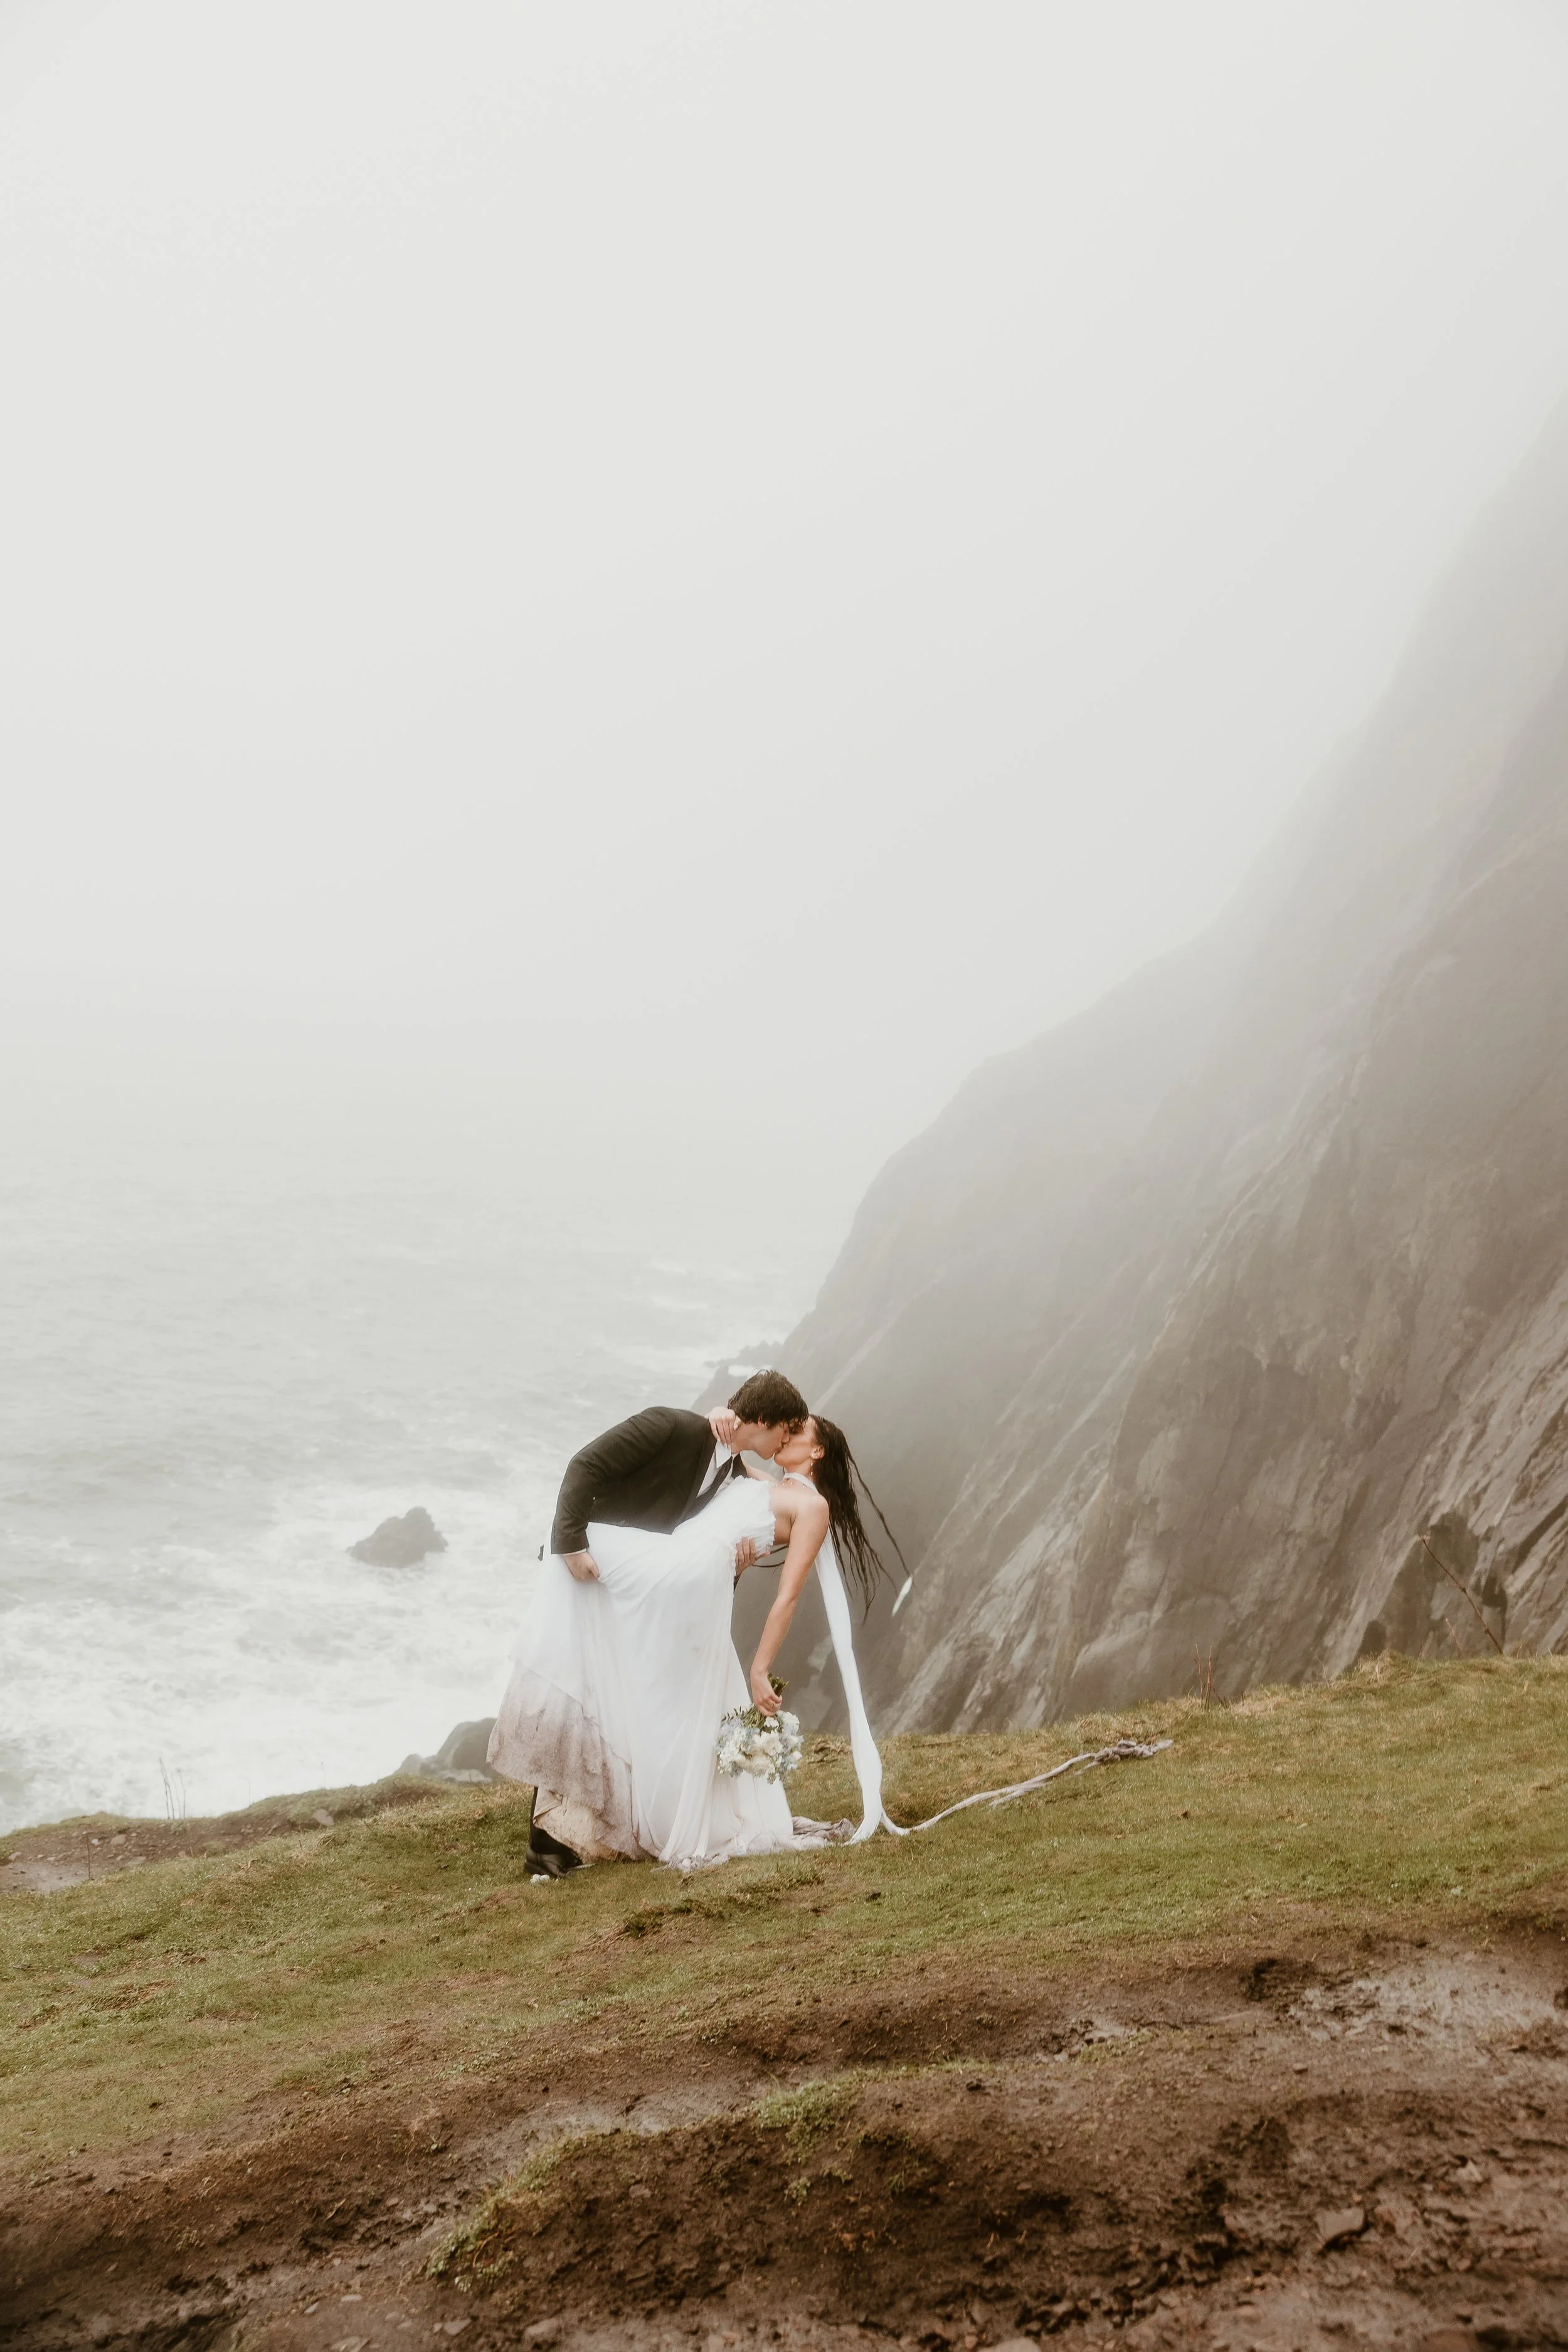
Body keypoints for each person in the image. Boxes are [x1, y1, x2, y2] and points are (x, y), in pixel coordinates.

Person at [488, 1369, 808, 1872]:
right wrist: (571, 1545)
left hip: (634, 1595)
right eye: (784, 1429)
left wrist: (736, 1568)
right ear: (763, 1420)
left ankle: (574, 1838)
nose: (785, 1440)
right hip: (593, 1571)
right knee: (580, 1699)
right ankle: (544, 1846)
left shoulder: (733, 1474)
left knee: (610, 1707)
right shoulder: (671, 1426)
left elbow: (693, 1556)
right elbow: (583, 1466)